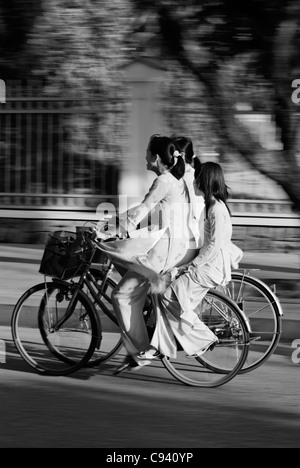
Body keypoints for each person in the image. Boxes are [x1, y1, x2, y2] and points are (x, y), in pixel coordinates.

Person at [98, 136, 198, 372]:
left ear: (155, 158)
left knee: (121, 295)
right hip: (173, 245)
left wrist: (112, 229)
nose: (144, 156)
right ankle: (145, 323)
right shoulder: (174, 180)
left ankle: (142, 352)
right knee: (128, 265)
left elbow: (143, 208)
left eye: (146, 152)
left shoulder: (163, 181)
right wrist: (116, 225)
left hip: (164, 250)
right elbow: (152, 213)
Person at [139, 162, 244, 360]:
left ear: (206, 181)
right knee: (165, 294)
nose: (194, 182)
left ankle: (203, 338)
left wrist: (189, 266)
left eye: (197, 179)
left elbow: (214, 246)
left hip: (208, 269)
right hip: (206, 265)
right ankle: (159, 345)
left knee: (169, 295)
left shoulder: (216, 210)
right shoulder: (210, 206)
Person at [171, 136, 204, 248]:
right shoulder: (192, 176)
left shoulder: (187, 179)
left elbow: (194, 213)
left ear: (182, 156)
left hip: (188, 242)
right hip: (191, 238)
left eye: (171, 153)